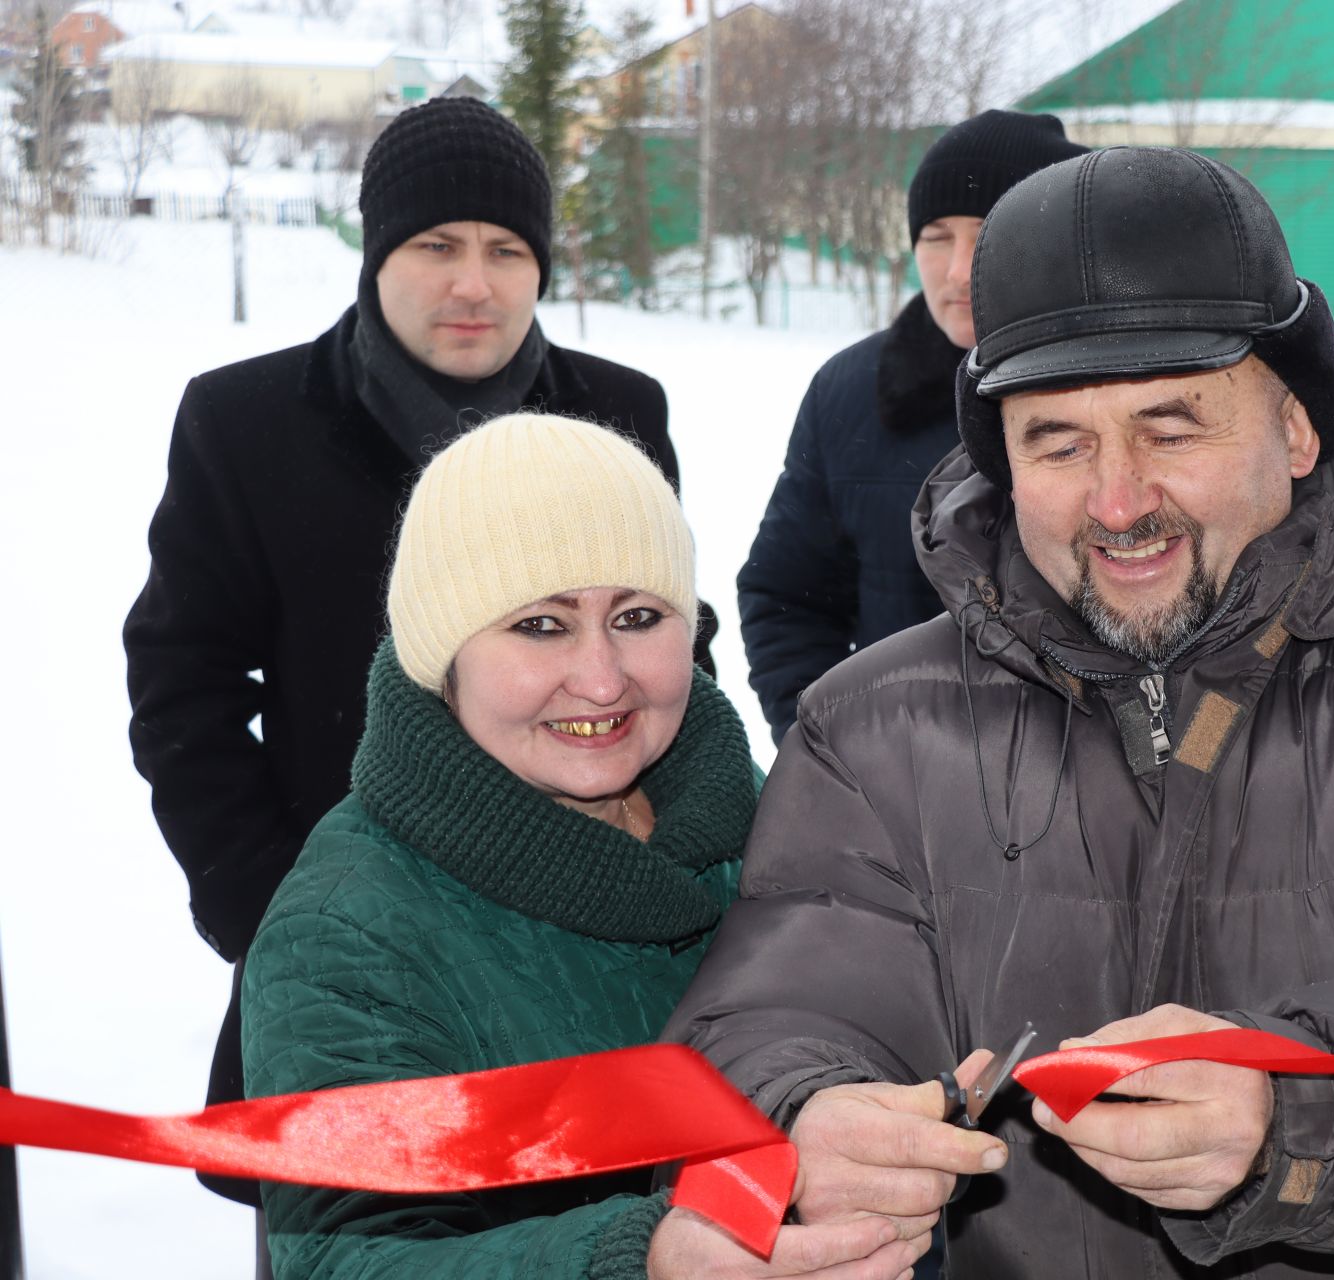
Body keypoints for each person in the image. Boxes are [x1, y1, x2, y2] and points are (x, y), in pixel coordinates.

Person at [668, 147, 1334, 1277]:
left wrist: (1295, 1111)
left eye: (1172, 429)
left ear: (1297, 429)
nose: (1118, 501)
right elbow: (773, 1008)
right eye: (1057, 443)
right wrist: (808, 1109)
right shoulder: (874, 725)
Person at [123, 96, 713, 1223]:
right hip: (358, 953)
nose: (474, 284)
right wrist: (277, 911)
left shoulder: (616, 412)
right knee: (359, 1234)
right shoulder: (245, 424)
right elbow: (180, 690)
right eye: (435, 245)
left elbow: (678, 641)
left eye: (506, 250)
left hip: (591, 954)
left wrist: (677, 886)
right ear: (375, 250)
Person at [241, 413, 922, 1280]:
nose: (602, 679)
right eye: (540, 626)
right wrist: (637, 1262)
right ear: (441, 656)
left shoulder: (766, 812)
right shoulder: (348, 928)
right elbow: (347, 1256)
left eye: (638, 616)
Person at [737, 110, 1084, 743]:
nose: (956, 272)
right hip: (909, 794)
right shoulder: (850, 392)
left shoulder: (1133, 393)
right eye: (935, 235)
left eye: (988, 233)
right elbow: (786, 598)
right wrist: (829, 752)